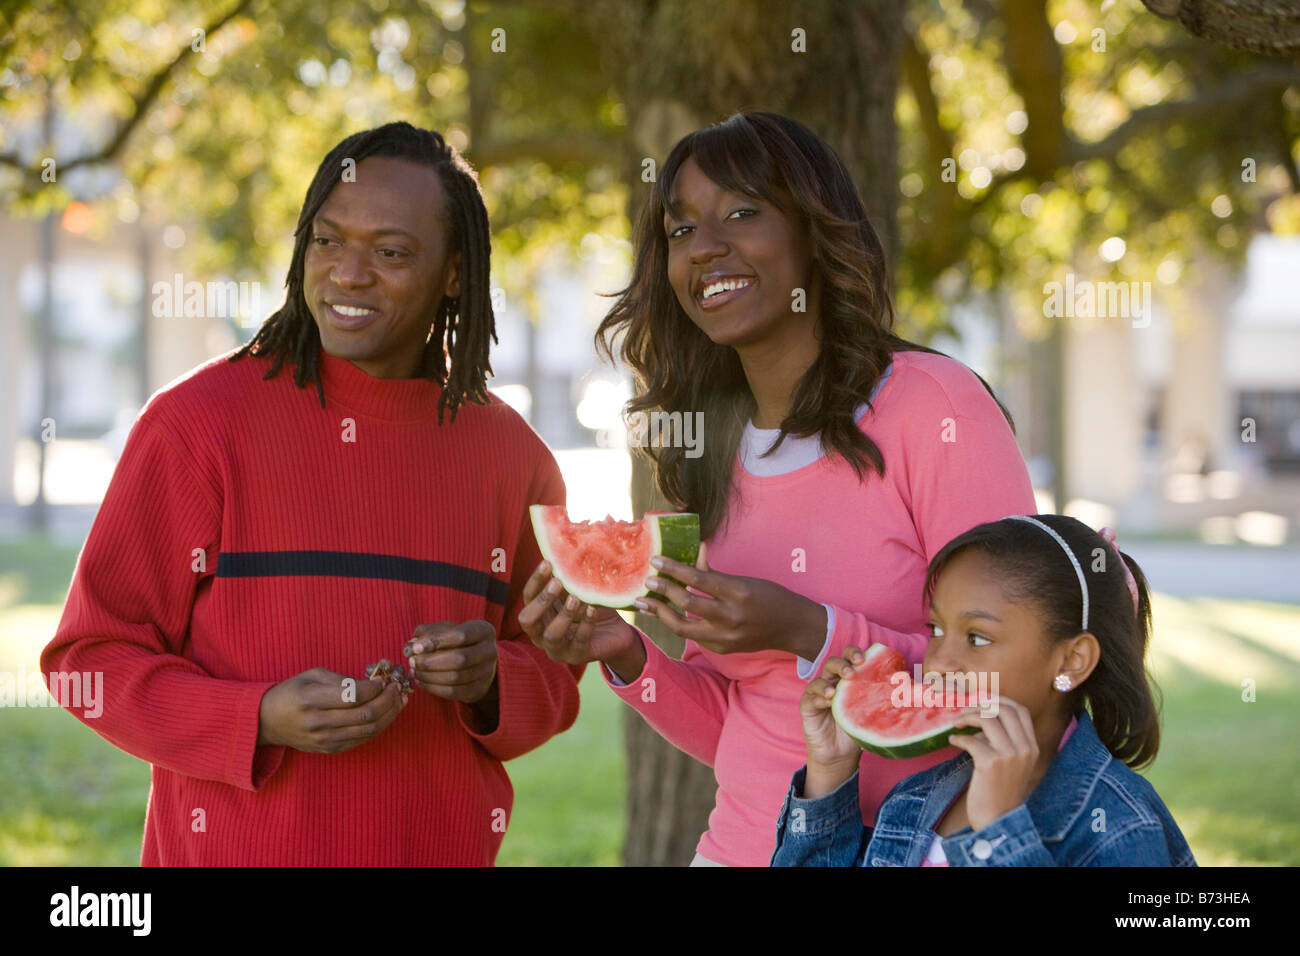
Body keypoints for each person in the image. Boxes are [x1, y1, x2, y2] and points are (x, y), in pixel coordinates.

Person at [41, 122, 583, 866]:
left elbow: (557, 669)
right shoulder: (196, 426)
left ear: (456, 272)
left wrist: (492, 683)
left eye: (390, 253)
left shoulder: (514, 459)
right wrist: (254, 717)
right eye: (328, 242)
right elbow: (88, 662)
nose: (348, 274)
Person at [518, 111, 1037, 866]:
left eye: (742, 212)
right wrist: (627, 654)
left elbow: (1016, 666)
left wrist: (809, 629)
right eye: (681, 229)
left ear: (814, 231)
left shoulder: (937, 409)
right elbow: (738, 727)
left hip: (919, 850)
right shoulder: (706, 452)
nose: (706, 248)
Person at [772, 515, 1196, 866]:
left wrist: (999, 832)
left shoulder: (1121, 825)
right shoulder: (919, 796)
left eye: (977, 637)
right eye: (936, 629)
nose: (936, 662)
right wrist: (829, 773)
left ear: (1071, 661)